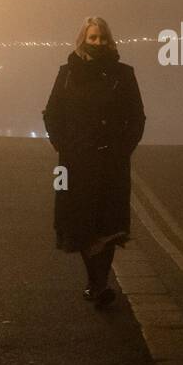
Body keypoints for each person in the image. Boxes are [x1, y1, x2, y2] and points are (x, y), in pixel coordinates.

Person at [42, 17, 146, 307]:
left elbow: (137, 117)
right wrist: (64, 145)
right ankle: (97, 283)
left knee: (107, 227)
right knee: (83, 225)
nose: (98, 42)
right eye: (93, 37)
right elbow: (52, 113)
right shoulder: (67, 74)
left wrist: (123, 148)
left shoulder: (123, 75)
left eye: (102, 38)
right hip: (76, 163)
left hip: (111, 162)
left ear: (109, 40)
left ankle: (98, 285)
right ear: (83, 39)